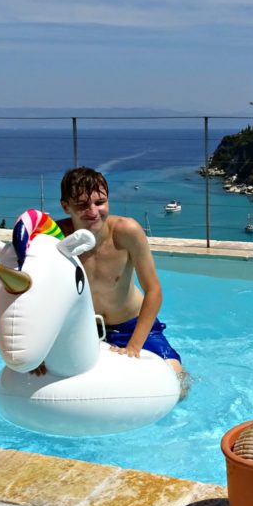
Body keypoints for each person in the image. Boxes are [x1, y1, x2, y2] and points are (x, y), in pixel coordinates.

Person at [56, 167, 187, 394]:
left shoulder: (127, 232)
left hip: (132, 326)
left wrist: (134, 346)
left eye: (100, 202)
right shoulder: (56, 237)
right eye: (81, 204)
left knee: (177, 381)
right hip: (82, 328)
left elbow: (153, 290)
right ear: (65, 206)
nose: (93, 211)